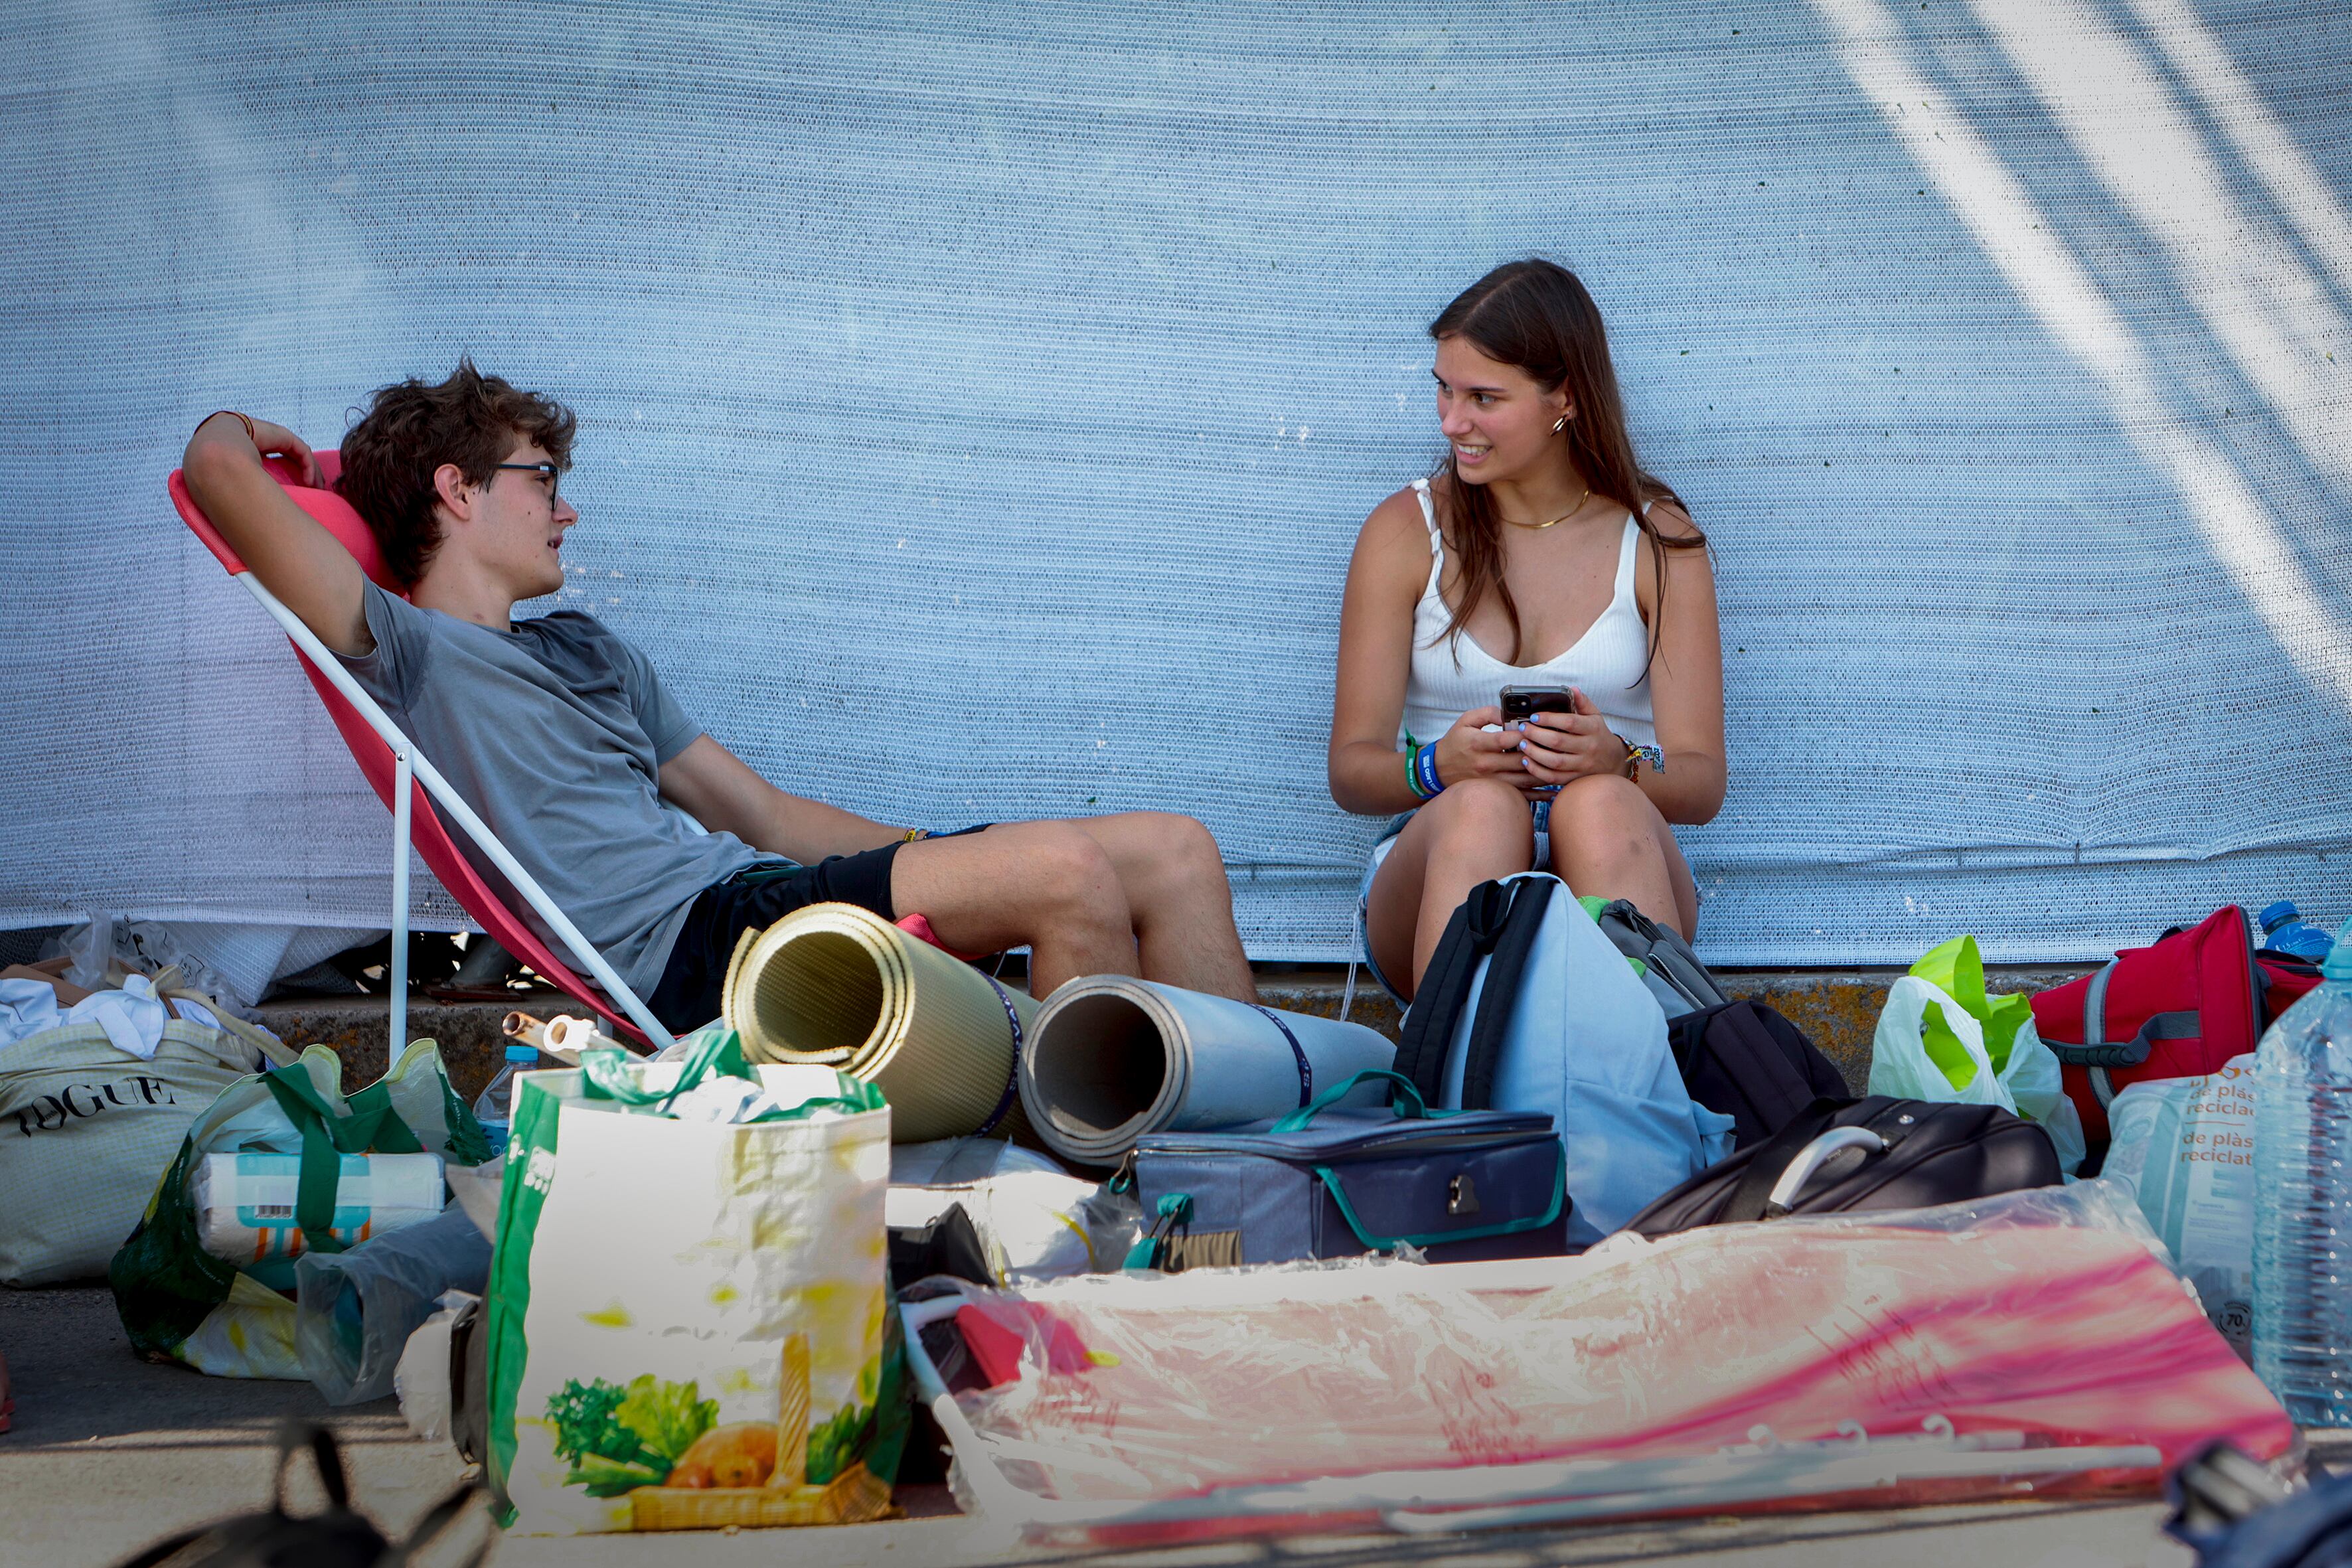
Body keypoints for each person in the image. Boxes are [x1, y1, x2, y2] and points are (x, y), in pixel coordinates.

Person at [181, 364, 1256, 1032]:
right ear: (458, 492)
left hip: (764, 895)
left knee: (1171, 849)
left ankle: (1239, 1170)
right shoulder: (409, 650)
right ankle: (1109, 1216)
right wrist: (251, 426)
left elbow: (769, 818)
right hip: (690, 952)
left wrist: (954, 860)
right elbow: (220, 478)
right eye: (541, 478)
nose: (565, 510)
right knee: (1066, 874)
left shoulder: (593, 653)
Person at [1328, 260, 1726, 1002]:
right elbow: (1351, 770)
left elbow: (1703, 785)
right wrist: (1439, 768)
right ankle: (1460, 1092)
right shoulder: (1406, 529)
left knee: (1599, 803)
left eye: (1484, 398)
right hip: (1439, 860)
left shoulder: (1656, 535)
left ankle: (1643, 1087)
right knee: (1483, 809)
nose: (1453, 422)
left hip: (1615, 849)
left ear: (1563, 399)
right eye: (1444, 390)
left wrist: (1620, 761)